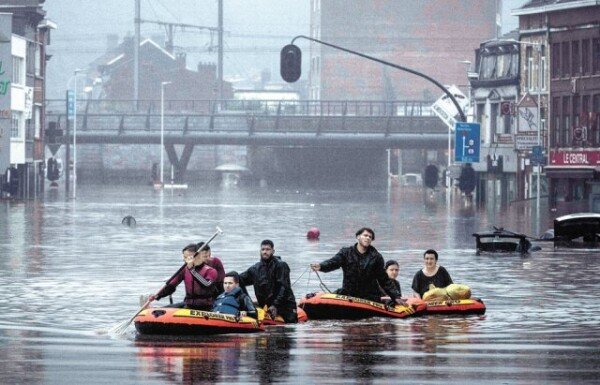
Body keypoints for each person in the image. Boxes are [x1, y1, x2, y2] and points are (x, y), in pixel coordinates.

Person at [310, 227, 406, 305]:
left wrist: (395, 296)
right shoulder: (346, 252)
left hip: (369, 296)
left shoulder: (376, 257)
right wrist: (321, 266)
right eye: (365, 235)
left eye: (370, 237)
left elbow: (384, 279)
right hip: (348, 294)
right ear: (358, 237)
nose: (368, 238)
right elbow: (334, 262)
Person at [239, 240, 298, 323]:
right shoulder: (255, 269)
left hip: (285, 305)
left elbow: (284, 287)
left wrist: (275, 305)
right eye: (263, 249)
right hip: (266, 306)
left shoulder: (281, 265)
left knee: (290, 325)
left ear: (273, 251)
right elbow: (238, 279)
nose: (265, 252)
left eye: (267, 249)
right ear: (260, 251)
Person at [149, 243, 218, 310]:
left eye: (186, 257)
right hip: (188, 304)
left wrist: (192, 270)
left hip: (205, 307)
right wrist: (157, 296)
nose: (184, 260)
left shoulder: (211, 271)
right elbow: (172, 285)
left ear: (196, 256)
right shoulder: (185, 270)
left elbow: (206, 284)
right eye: (184, 257)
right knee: (164, 309)